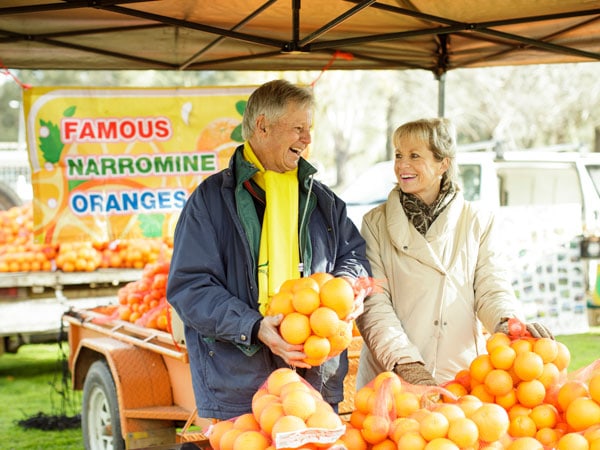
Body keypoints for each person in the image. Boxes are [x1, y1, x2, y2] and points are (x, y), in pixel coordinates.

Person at [166, 79, 371, 420]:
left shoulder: (322, 200)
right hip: (239, 386)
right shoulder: (211, 201)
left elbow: (353, 256)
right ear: (262, 126)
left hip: (315, 379)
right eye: (298, 129)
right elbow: (190, 288)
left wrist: (348, 287)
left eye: (309, 129)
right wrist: (254, 325)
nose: (307, 139)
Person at [355, 117, 552, 388]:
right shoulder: (375, 223)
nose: (402, 165)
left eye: (415, 155)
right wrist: (406, 362)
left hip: (459, 376)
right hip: (392, 376)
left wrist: (508, 324)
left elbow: (491, 289)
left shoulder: (477, 220)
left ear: (443, 163)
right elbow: (374, 304)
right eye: (398, 155)